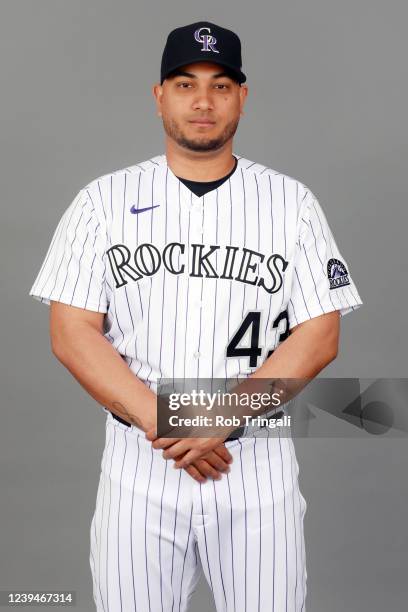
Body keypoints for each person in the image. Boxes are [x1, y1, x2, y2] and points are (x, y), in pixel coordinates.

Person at [28, 20, 363, 612]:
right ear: (159, 96)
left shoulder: (292, 205)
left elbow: (321, 332)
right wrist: (163, 419)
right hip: (141, 466)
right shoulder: (100, 203)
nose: (203, 101)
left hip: (256, 466)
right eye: (185, 84)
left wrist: (223, 416)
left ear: (242, 96)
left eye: (220, 85)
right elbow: (71, 330)